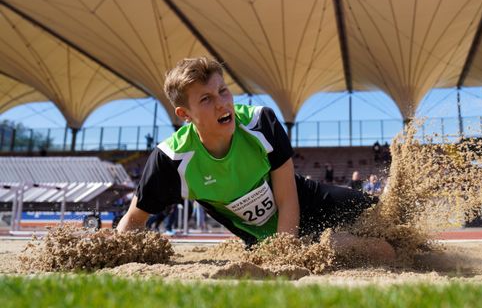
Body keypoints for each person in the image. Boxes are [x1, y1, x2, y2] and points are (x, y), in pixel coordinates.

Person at [117, 57, 378, 246]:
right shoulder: (170, 160)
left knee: (380, 218)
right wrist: (116, 257)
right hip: (261, 240)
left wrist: (286, 253)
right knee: (361, 249)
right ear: (185, 114)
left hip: (309, 205)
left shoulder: (261, 122)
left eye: (223, 91)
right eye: (206, 99)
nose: (222, 104)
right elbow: (134, 219)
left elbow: (287, 200)